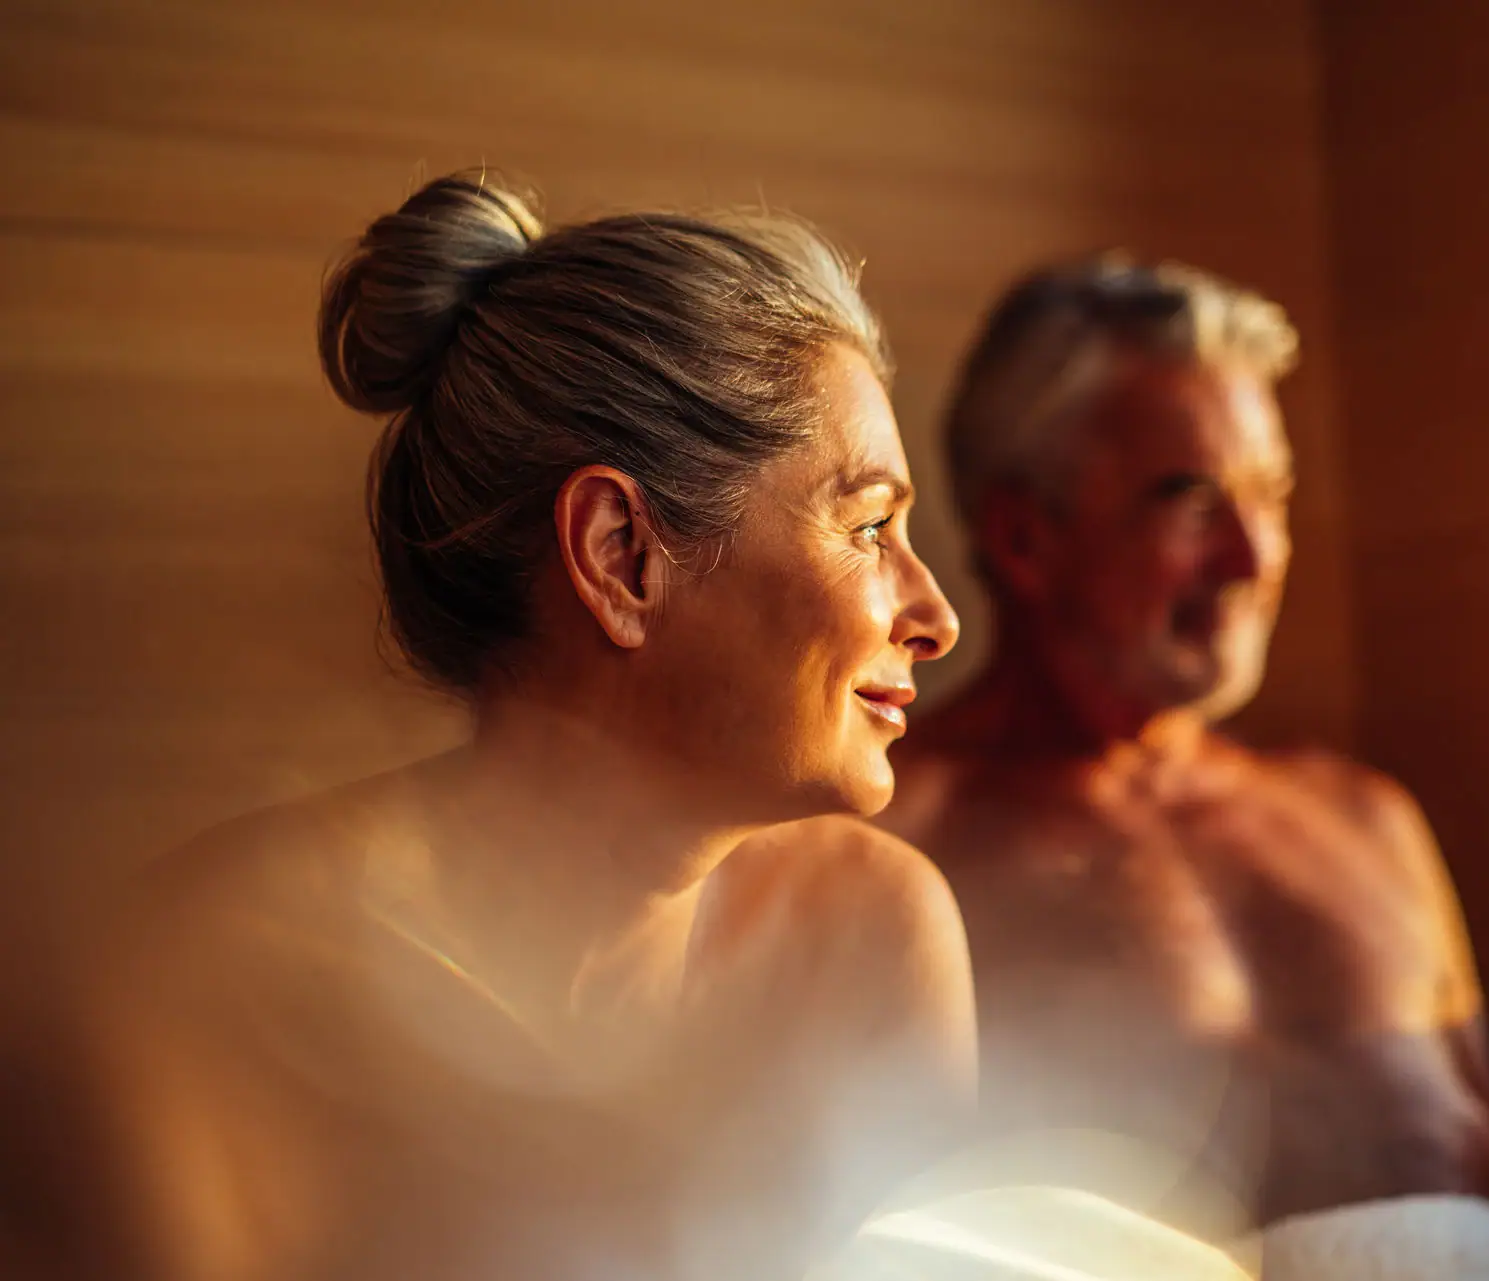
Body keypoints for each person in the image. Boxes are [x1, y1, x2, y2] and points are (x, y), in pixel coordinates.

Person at [66, 171, 974, 1281]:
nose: (935, 616)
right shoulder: (211, 979)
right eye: (871, 524)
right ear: (620, 557)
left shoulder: (872, 936)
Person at [881, 256, 1489, 1242]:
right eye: (1192, 500)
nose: (1254, 558)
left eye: (1271, 494)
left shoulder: (1366, 819)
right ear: (1024, 537)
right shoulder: (894, 839)